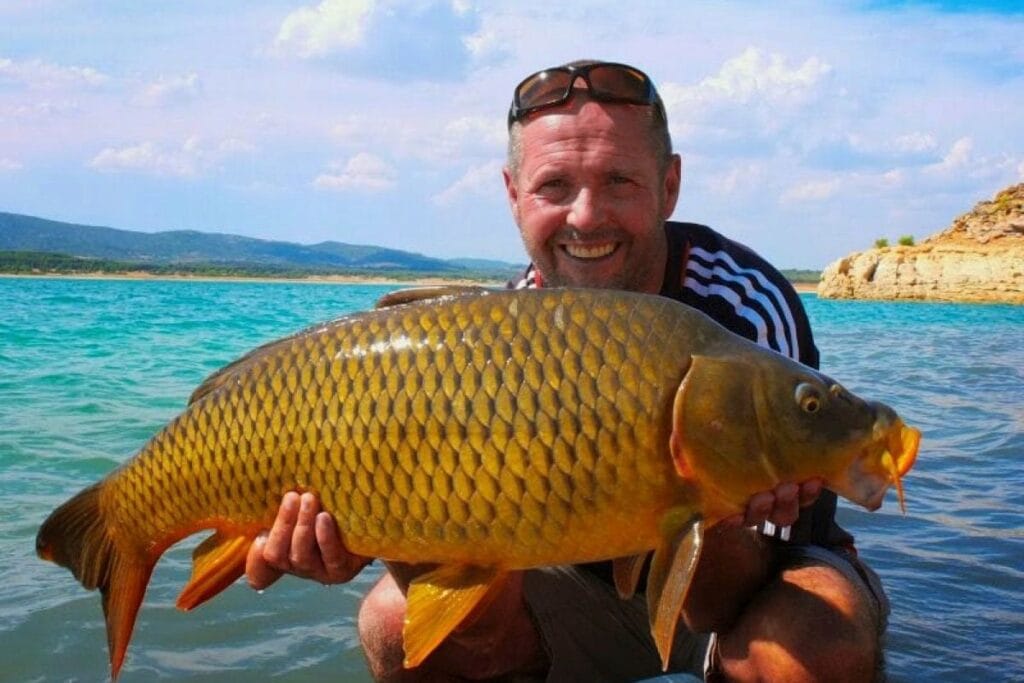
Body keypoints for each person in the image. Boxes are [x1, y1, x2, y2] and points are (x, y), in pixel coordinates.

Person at [245, 60, 890, 682]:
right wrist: (371, 534)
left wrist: (703, 504)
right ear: (513, 195)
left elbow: (727, 599)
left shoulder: (741, 306)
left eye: (619, 181)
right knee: (394, 622)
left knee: (808, 652)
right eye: (554, 186)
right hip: (570, 580)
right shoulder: (501, 332)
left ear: (669, 186)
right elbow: (467, 541)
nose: (585, 217)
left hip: (748, 594)